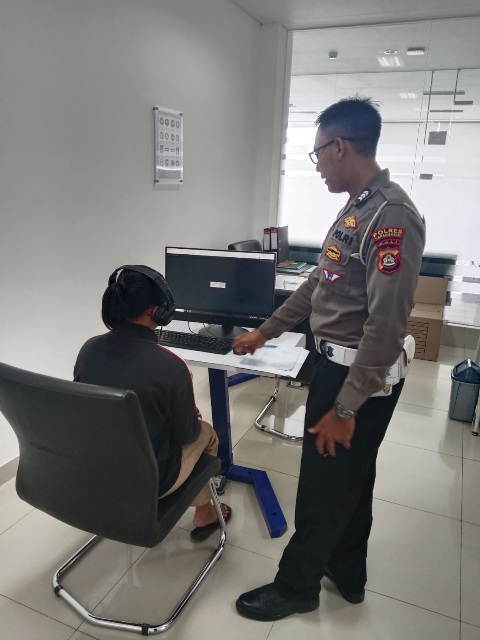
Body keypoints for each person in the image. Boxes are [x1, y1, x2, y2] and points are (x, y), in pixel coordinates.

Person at [233, 97, 426, 621]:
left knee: (322, 488)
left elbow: (386, 326)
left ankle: (297, 587)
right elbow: (320, 283)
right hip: (334, 366)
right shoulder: (358, 206)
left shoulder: (391, 217)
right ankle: (347, 571)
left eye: (317, 153)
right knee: (351, 481)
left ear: (339, 146)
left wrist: (345, 408)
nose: (316, 165)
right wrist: (266, 331)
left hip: (355, 376)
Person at [74, 264, 231, 541]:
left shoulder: (88, 349)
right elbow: (187, 434)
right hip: (151, 479)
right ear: (154, 312)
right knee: (206, 433)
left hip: (95, 471)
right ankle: (205, 513)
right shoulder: (171, 366)